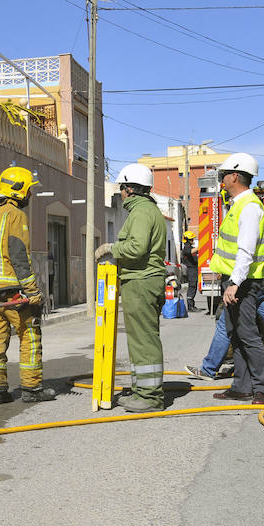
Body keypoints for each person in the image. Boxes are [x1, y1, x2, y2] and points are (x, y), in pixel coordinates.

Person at [186, 229, 264, 384]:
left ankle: (209, 369)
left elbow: (244, 255)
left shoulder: (246, 219)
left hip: (251, 285)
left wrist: (232, 280)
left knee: (225, 326)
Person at [94, 163, 167, 413]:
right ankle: (142, 392)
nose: (120, 193)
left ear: (129, 189)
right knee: (139, 340)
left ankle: (149, 397)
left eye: (121, 188)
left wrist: (111, 248)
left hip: (142, 281)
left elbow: (137, 248)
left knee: (143, 341)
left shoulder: (141, 213)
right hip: (144, 280)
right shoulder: (146, 210)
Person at [0, 166, 51, 404]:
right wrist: (33, 292)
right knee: (29, 334)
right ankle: (32, 389)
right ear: (19, 191)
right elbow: (19, 256)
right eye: (29, 191)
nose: (31, 195)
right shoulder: (16, 216)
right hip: (12, 293)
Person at [206, 152, 264, 405]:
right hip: (235, 280)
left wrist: (234, 283)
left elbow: (246, 249)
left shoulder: (249, 206)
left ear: (235, 176)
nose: (222, 179)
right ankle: (242, 386)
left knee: (248, 335)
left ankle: (260, 389)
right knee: (236, 334)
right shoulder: (238, 205)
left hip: (243, 283)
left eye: (224, 174)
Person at [181, 230, 203, 312]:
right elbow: (192, 251)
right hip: (191, 271)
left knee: (193, 287)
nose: (192, 240)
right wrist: (203, 244)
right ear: (187, 240)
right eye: (191, 239)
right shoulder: (186, 249)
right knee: (192, 287)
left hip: (194, 270)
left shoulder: (191, 248)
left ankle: (192, 305)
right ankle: (190, 307)